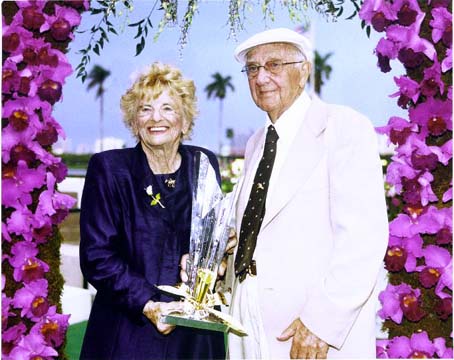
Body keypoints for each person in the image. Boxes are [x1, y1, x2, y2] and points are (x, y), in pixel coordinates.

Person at [225, 28, 389, 359]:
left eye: (274, 64)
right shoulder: (257, 142)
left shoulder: (344, 127)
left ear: (304, 71)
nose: (262, 77)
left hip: (311, 336)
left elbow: (363, 239)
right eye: (252, 69)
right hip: (247, 329)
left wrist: (321, 325)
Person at [79, 62, 225, 360]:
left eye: (168, 108)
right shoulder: (109, 169)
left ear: (185, 121)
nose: (156, 118)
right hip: (129, 333)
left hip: (194, 339)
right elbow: (97, 257)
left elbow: (210, 240)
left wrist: (217, 256)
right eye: (145, 109)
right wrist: (148, 304)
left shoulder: (203, 164)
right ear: (134, 122)